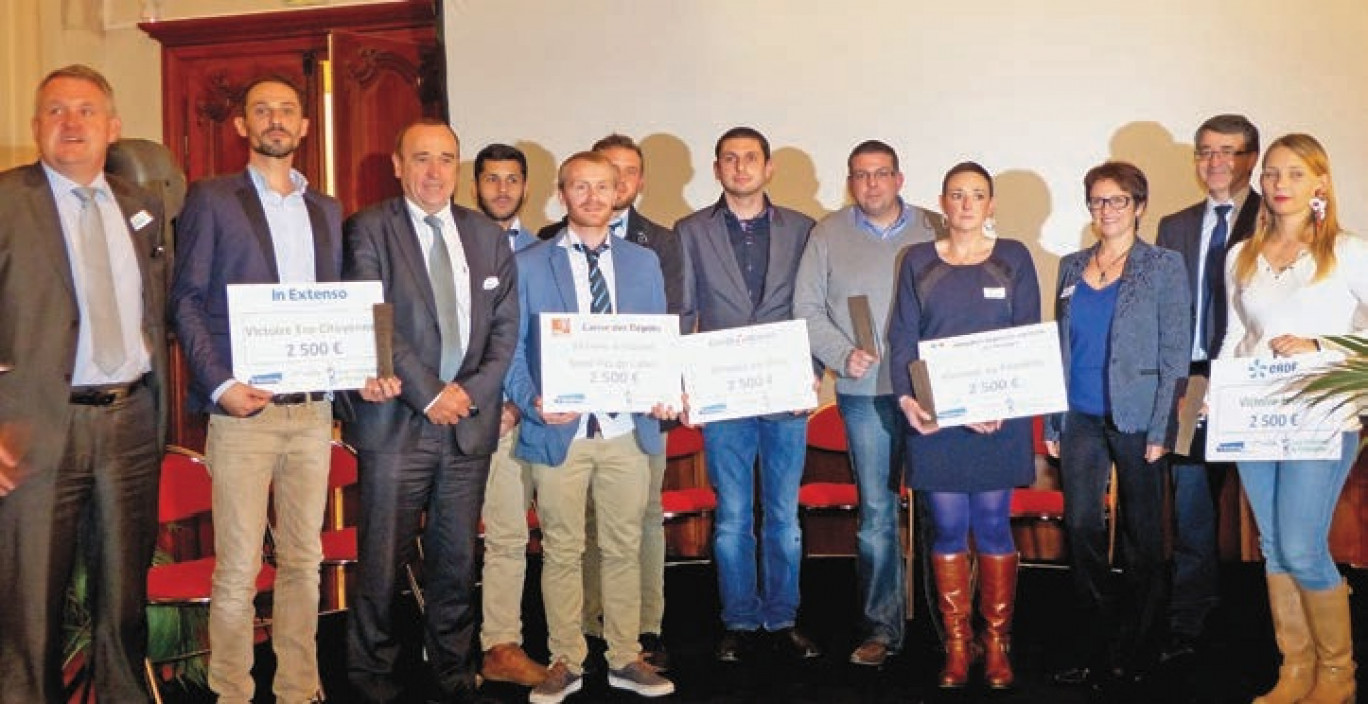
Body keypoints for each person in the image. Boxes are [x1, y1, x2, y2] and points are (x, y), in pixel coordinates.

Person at [170, 75, 379, 703]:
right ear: (242, 126)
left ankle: (297, 689)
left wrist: (360, 363)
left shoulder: (328, 208)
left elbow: (333, 309)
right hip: (242, 414)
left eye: (287, 110)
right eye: (262, 110)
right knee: (236, 571)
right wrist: (222, 385)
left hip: (313, 413)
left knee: (303, 563)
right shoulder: (211, 198)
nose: (276, 120)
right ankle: (232, 693)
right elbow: (185, 300)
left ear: (305, 126)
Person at [0, 64, 169, 703]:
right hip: (34, 432)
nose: (71, 123)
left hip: (130, 424)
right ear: (36, 126)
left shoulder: (142, 207)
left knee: (122, 607)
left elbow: (159, 309)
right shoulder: (5, 200)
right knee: (29, 612)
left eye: (86, 111)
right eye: (55, 111)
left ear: (113, 127)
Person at [343, 119, 519, 704]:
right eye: (422, 158)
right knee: (382, 568)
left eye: (446, 159)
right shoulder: (369, 228)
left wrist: (468, 393)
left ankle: (452, 671)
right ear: (398, 164)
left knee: (453, 561)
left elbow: (505, 329)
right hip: (397, 426)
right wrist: (432, 393)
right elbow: (375, 321)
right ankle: (372, 681)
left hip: (468, 426)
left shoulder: (487, 236)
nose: (435, 171)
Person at [505, 151, 678, 703]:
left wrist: (666, 390)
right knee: (561, 548)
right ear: (561, 194)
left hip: (627, 429)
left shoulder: (642, 262)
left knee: (625, 546)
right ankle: (565, 661)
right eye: (580, 187)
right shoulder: (529, 263)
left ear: (620, 192)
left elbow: (658, 342)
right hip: (560, 430)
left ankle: (625, 656)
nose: (593, 197)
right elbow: (508, 351)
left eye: (603, 187)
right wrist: (531, 401)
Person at [1219, 133, 1367, 704]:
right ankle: (1295, 668)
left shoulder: (1349, 252)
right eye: (1272, 175)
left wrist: (1319, 345)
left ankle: (1338, 675)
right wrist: (1222, 390)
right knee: (1276, 545)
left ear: (1320, 183)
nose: (1280, 185)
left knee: (1304, 546)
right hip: (1256, 418)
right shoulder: (1241, 256)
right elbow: (1238, 334)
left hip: (1323, 414)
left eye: (1295, 174)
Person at [887, 162, 1040, 688]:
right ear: (943, 202)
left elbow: (1026, 340)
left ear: (991, 205)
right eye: (957, 195)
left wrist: (996, 402)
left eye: (978, 195)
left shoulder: (1013, 258)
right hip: (936, 421)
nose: (967, 204)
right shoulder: (917, 260)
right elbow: (903, 339)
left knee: (994, 526)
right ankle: (957, 644)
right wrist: (911, 401)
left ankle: (996, 642)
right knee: (949, 527)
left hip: (999, 420)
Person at [793, 140, 940, 666]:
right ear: (849, 181)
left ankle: (949, 628)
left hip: (929, 396)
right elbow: (806, 307)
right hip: (864, 397)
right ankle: (883, 629)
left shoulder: (938, 227)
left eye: (881, 174)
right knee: (877, 514)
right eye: (860, 175)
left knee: (941, 511)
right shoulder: (827, 234)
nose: (871, 184)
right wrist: (838, 353)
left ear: (900, 178)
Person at [677, 126, 820, 663]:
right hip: (723, 397)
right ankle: (738, 619)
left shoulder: (805, 230)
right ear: (716, 169)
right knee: (734, 515)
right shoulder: (690, 231)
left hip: (786, 395)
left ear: (769, 167)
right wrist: (685, 382)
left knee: (783, 516)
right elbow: (685, 311)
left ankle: (782, 617)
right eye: (729, 159)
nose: (740, 167)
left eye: (750, 158)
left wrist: (814, 371)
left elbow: (815, 306)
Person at [1044, 161, 1190, 686]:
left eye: (1117, 201)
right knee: (1082, 526)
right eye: (1097, 201)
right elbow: (1058, 347)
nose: (1106, 210)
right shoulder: (1069, 265)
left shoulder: (1163, 265)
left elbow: (1175, 353)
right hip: (1079, 415)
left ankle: (1141, 646)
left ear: (1139, 206)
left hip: (1138, 417)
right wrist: (1053, 421)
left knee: (1143, 536)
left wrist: (1164, 429)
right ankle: (1095, 642)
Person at [579, 133, 693, 672]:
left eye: (629, 172)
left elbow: (679, 316)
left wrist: (664, 384)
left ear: (640, 181)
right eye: (609, 171)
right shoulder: (558, 239)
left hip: (645, 410)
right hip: (578, 416)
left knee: (644, 518)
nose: (619, 182)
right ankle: (589, 625)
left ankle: (646, 627)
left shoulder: (663, 243)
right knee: (586, 522)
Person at [1155, 114, 1262, 662]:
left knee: (1267, 502)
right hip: (1192, 380)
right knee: (1192, 502)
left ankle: (1275, 624)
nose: (1214, 162)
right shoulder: (1173, 226)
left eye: (1227, 151)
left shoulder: (1279, 216)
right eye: (1204, 152)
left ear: (1251, 158)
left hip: (1256, 378)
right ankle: (1189, 621)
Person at [471, 142, 548, 687]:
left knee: (509, 535)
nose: (502, 188)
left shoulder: (546, 254)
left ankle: (503, 644)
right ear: (475, 184)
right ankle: (452, 644)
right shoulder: (455, 244)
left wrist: (520, 401)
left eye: (512, 179)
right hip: (460, 413)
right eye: (492, 179)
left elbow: (545, 340)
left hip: (525, 419)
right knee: (455, 537)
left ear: (526, 186)